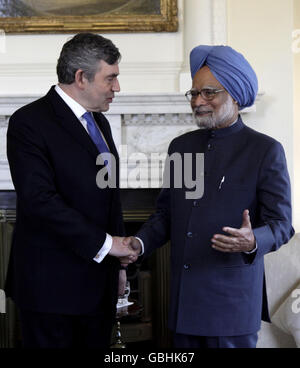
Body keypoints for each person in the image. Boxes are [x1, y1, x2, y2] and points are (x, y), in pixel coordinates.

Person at [125, 45, 295, 348]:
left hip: (231, 305)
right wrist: (138, 243)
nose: (198, 101)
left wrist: (252, 240)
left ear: (234, 95)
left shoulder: (264, 150)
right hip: (183, 303)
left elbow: (282, 225)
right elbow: (166, 215)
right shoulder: (182, 147)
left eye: (208, 93)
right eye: (193, 94)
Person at [5, 33, 136, 348]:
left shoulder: (99, 123)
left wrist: (119, 267)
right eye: (111, 78)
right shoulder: (29, 122)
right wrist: (108, 245)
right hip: (51, 291)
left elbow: (110, 198)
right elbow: (40, 202)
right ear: (81, 77)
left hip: (98, 287)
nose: (117, 87)